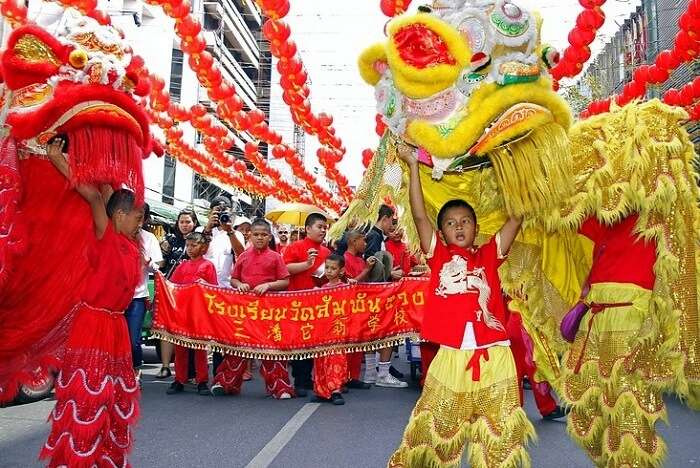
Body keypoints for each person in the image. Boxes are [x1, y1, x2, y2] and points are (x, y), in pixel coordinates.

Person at [388, 144, 534, 468]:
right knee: (436, 436)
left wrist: (517, 164)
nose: (458, 226)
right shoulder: (437, 255)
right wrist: (412, 165)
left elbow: (517, 216)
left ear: (476, 228)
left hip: (494, 356)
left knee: (498, 439)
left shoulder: (489, 255)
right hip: (451, 357)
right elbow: (419, 214)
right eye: (451, 222)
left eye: (465, 221)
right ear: (442, 233)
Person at [41, 138, 143, 467]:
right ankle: (78, 456)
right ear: (119, 215)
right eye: (136, 216)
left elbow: (107, 189)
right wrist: (58, 158)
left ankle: (103, 456)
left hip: (116, 326)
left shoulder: (133, 245)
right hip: (94, 323)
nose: (140, 222)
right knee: (89, 391)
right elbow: (96, 196)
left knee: (111, 394)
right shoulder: (106, 235)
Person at [211, 219, 294, 399]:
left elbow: (285, 281)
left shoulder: (276, 257)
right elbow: (233, 279)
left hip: (268, 310)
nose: (259, 238)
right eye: (256, 234)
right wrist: (239, 284)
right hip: (245, 309)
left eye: (263, 235)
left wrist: (269, 285)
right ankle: (226, 383)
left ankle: (280, 387)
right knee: (237, 346)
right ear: (250, 235)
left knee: (271, 348)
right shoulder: (243, 256)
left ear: (269, 237)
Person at [283, 213, 331, 397]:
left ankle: (311, 379)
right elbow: (285, 269)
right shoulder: (295, 247)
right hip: (298, 303)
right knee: (299, 343)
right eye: (319, 226)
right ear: (307, 229)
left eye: (325, 227)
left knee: (314, 343)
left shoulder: (326, 252)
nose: (323, 230)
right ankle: (300, 380)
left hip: (319, 304)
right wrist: (307, 263)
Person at [166, 232, 218, 396]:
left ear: (203, 247)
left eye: (193, 245)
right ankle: (179, 379)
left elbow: (214, 289)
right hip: (182, 312)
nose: (189, 248)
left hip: (199, 313)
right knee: (180, 347)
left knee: (199, 348)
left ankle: (202, 380)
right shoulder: (182, 266)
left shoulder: (208, 265)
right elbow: (172, 286)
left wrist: (205, 284)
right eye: (187, 245)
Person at [201, 196, 246, 378]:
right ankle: (196, 376)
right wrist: (207, 228)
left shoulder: (236, 233)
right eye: (217, 211)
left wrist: (229, 231)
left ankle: (219, 376)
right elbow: (196, 250)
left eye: (224, 210)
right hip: (203, 290)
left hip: (225, 291)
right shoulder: (202, 231)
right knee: (198, 333)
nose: (221, 214)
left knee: (220, 335)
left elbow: (241, 254)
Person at [362, 205, 407, 386]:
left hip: (374, 293)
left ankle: (372, 373)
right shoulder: (375, 236)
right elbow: (372, 266)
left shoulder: (376, 236)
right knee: (387, 332)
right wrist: (390, 274)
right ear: (386, 218)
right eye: (392, 221)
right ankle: (382, 374)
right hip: (378, 292)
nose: (393, 226)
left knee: (373, 331)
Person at [157, 209, 199, 378]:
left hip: (191, 293)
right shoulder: (169, 240)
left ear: (194, 223)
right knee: (167, 329)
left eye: (188, 221)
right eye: (181, 221)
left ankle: (189, 370)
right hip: (170, 290)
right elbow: (160, 264)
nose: (184, 225)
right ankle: (166, 366)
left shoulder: (200, 241)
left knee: (190, 331)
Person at [125, 203, 164, 383]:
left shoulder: (148, 239)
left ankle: (135, 372)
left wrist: (145, 259)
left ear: (146, 219)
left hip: (137, 297)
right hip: (114, 297)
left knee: (133, 340)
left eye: (141, 217)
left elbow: (158, 265)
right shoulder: (117, 234)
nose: (137, 221)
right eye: (134, 216)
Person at [311, 254, 352, 405]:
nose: (329, 271)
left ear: (341, 271)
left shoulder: (345, 288)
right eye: (327, 267)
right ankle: (321, 391)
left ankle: (336, 391)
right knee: (321, 359)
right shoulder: (322, 288)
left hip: (338, 330)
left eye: (333, 268)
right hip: (323, 330)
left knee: (336, 359)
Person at [342, 231, 378, 390]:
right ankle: (343, 376)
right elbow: (350, 283)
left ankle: (354, 376)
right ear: (353, 241)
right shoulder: (344, 259)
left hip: (360, 305)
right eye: (363, 241)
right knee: (347, 343)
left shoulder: (359, 259)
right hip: (348, 306)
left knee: (358, 342)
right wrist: (367, 269)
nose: (365, 244)